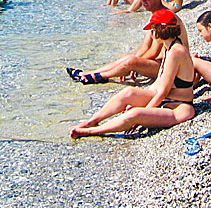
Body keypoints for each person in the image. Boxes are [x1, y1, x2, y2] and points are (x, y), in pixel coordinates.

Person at [69, 8, 195, 138]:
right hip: (166, 100)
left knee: (135, 114)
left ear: (158, 32)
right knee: (128, 93)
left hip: (179, 107)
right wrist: (142, 103)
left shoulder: (176, 52)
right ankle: (92, 121)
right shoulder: (170, 47)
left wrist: (145, 111)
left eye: (152, 30)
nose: (151, 34)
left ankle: (90, 132)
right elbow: (158, 85)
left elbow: (163, 92)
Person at [69, 0, 189, 84]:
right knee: (127, 58)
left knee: (130, 61)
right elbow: (145, 46)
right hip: (162, 61)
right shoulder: (155, 15)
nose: (144, 2)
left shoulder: (165, 17)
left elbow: (154, 51)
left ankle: (100, 77)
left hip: (173, 65)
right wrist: (133, 61)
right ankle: (91, 72)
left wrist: (134, 65)